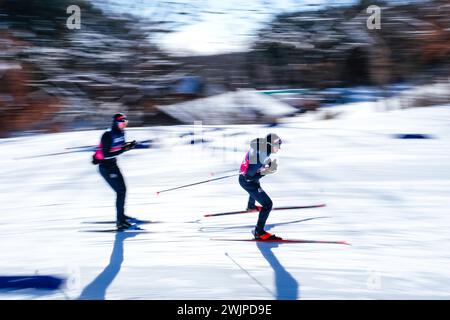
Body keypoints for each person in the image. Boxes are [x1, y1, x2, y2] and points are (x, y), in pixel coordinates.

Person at [92, 113, 137, 230]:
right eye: (122, 123)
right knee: (121, 191)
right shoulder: (107, 135)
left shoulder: (121, 133)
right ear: (115, 123)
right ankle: (120, 222)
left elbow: (120, 147)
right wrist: (123, 149)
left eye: (125, 123)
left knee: (123, 190)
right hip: (105, 167)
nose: (124, 125)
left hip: (113, 165)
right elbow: (106, 153)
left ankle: (121, 216)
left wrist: (129, 145)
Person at [239, 133, 282, 240]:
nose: (279, 148)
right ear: (271, 144)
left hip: (246, 177)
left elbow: (257, 164)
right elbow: (250, 178)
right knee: (268, 204)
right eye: (278, 145)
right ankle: (259, 232)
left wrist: (267, 165)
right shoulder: (260, 155)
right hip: (247, 181)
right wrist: (267, 171)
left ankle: (251, 206)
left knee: (256, 185)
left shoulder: (261, 147)